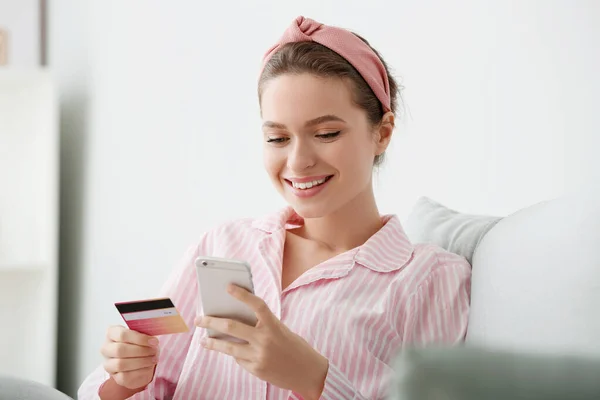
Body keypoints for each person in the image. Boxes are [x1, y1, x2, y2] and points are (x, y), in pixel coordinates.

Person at [78, 16, 471, 400]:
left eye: (326, 133)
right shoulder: (220, 245)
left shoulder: (431, 279)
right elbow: (118, 385)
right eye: (278, 138)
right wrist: (125, 379)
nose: (298, 161)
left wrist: (314, 378)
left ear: (382, 133)